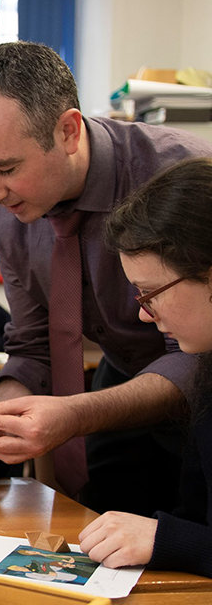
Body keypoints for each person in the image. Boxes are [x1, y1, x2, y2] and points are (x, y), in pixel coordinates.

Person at [0, 41, 212, 516]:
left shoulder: (177, 176)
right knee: (101, 536)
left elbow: (202, 354)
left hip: (201, 390)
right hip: (121, 387)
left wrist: (76, 414)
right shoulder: (9, 216)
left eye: (6, 169)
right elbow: (33, 344)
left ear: (69, 131)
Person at [79, 158, 212, 577]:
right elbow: (197, 512)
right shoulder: (205, 366)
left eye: (151, 293)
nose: (144, 316)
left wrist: (164, 538)